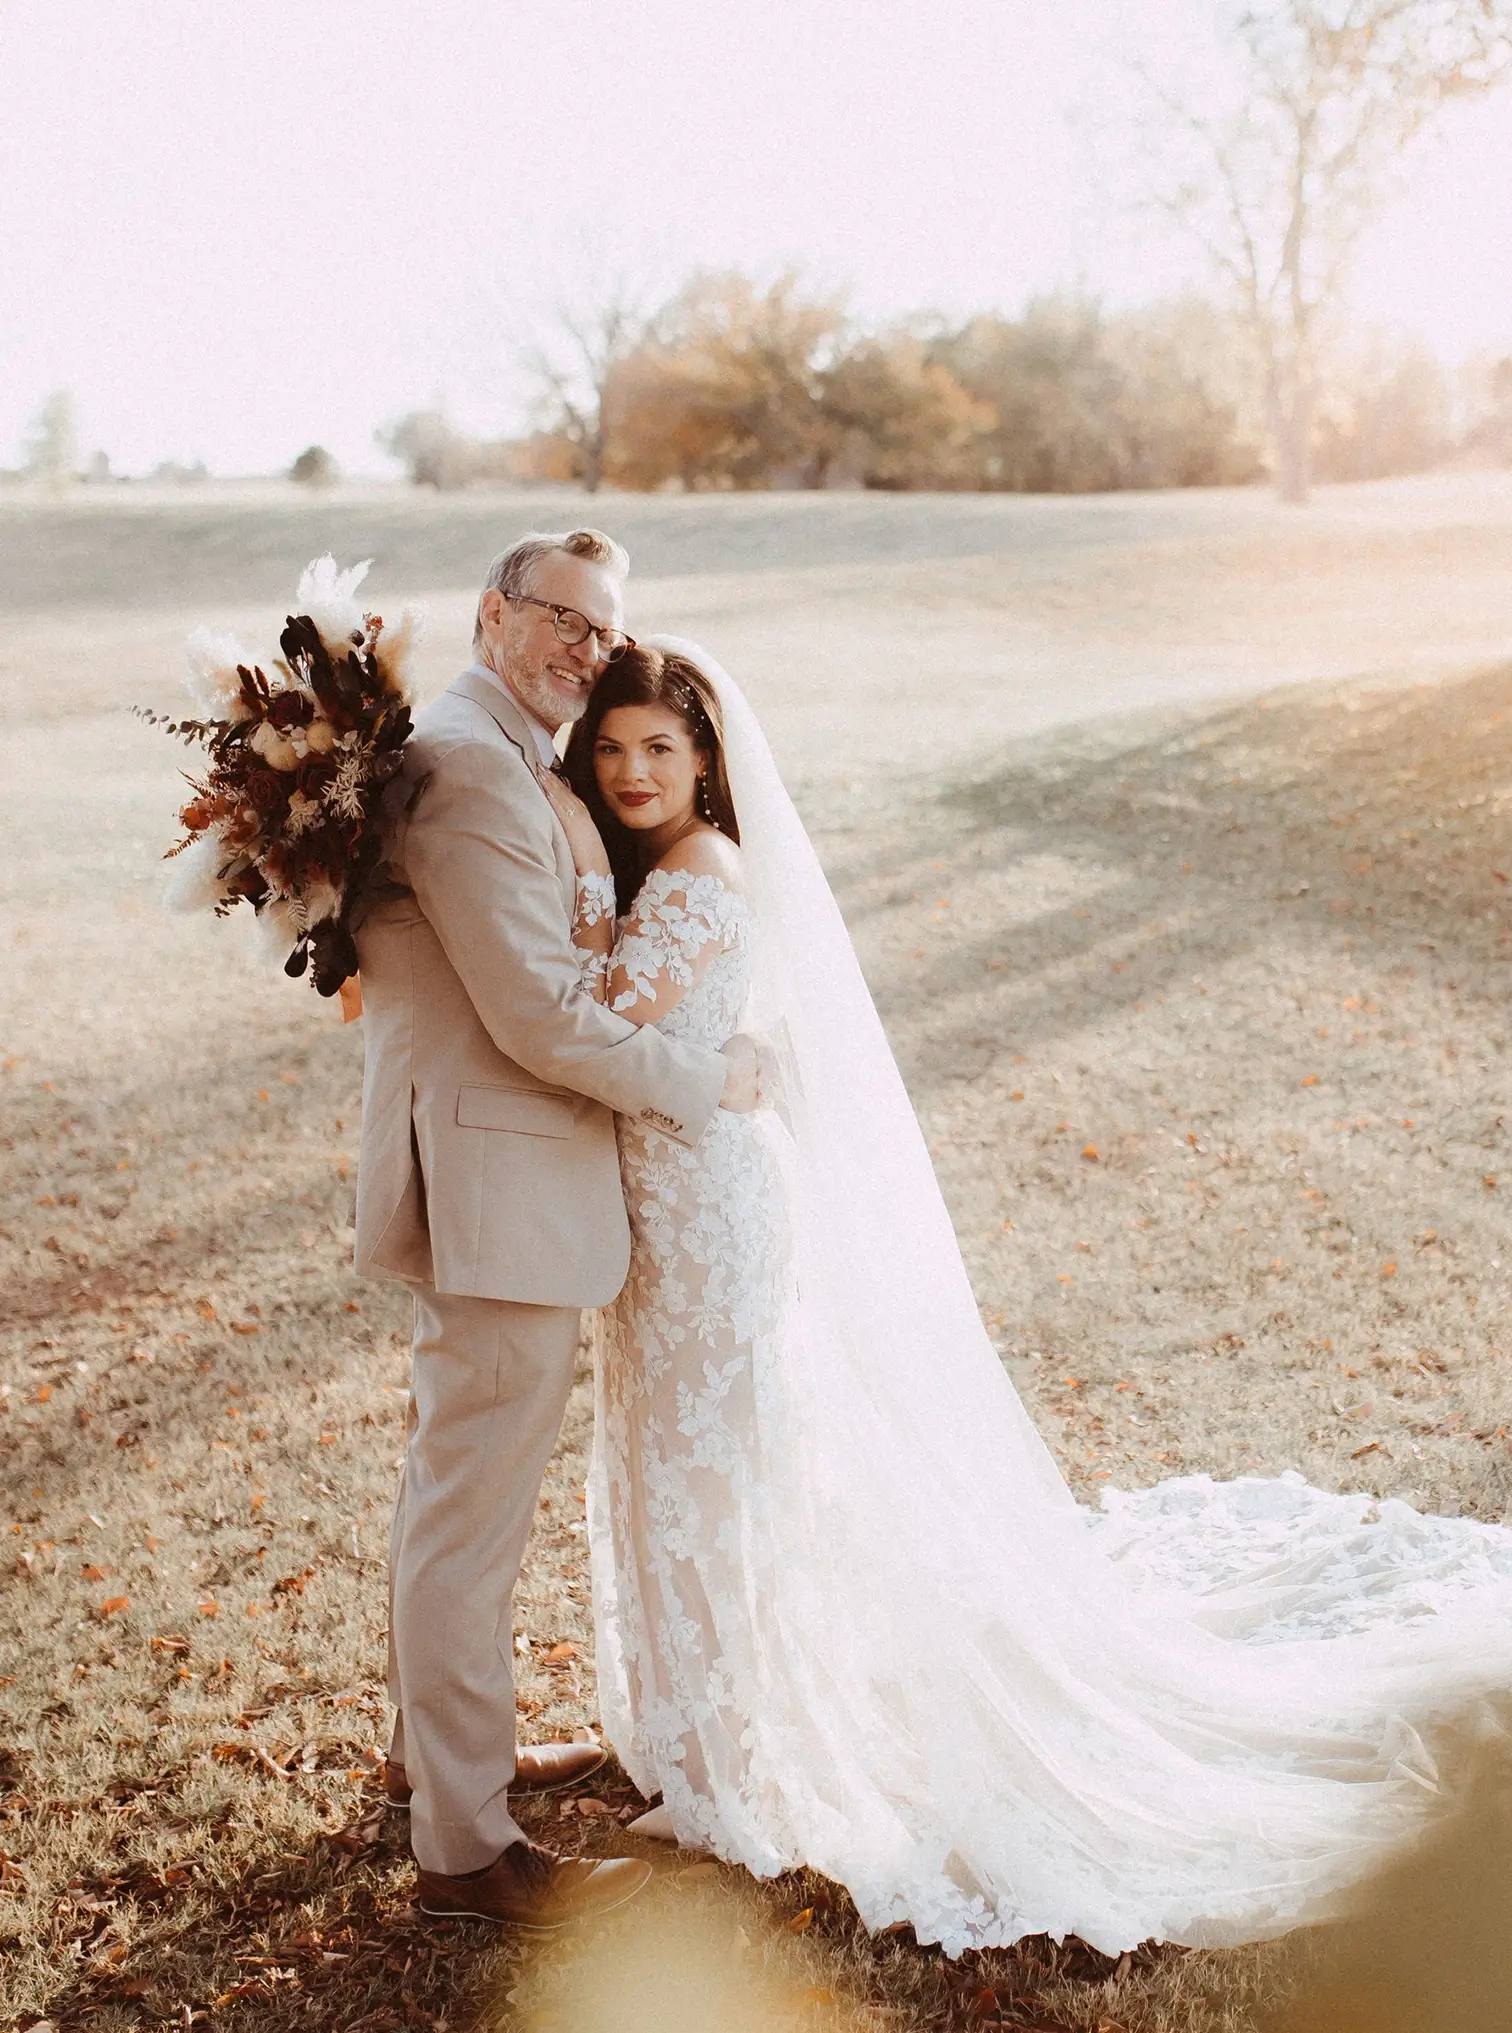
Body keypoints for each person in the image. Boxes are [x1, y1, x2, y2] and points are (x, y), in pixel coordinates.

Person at [555, 636, 1512, 1958]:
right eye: (608, 752)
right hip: (672, 1205)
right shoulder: (660, 870)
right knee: (683, 1461)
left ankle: (739, 1769)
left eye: (658, 747)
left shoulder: (697, 879)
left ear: (708, 757)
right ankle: (710, 1736)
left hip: (711, 1215)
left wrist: (598, 954)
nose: (631, 772)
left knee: (715, 1468)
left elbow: (594, 1022)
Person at [352, 533, 762, 1930]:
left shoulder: (505, 745)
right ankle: (466, 1847)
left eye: (604, 632)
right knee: (469, 1512)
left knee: (461, 1496)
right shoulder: (469, 762)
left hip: (512, 1178)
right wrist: (707, 1082)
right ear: (491, 614)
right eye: (563, 622)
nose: (586, 651)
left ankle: (440, 1762)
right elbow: (536, 1016)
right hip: (495, 1184)